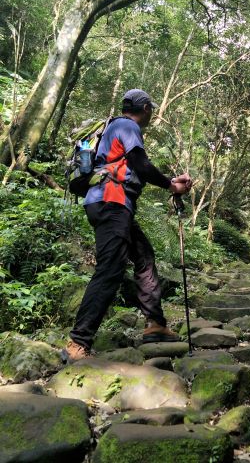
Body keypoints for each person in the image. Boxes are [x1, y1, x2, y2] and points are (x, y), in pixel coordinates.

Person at [62, 89, 192, 363]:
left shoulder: (114, 127)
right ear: (145, 108)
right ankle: (78, 341)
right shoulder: (127, 125)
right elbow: (140, 165)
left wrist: (170, 182)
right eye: (151, 109)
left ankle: (155, 324)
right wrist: (171, 184)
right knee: (110, 269)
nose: (151, 113)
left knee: (143, 257)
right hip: (111, 202)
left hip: (110, 204)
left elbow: (135, 166)